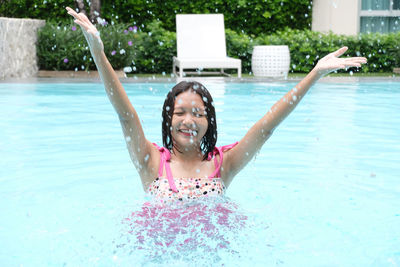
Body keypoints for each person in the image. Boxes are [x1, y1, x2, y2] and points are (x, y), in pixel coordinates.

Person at [66, 7, 367, 202]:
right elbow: (125, 113)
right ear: (168, 119)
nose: (188, 120)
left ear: (209, 121)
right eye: (180, 112)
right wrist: (98, 53)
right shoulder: (151, 162)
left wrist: (314, 74)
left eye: (198, 113)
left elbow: (266, 127)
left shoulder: (223, 165)